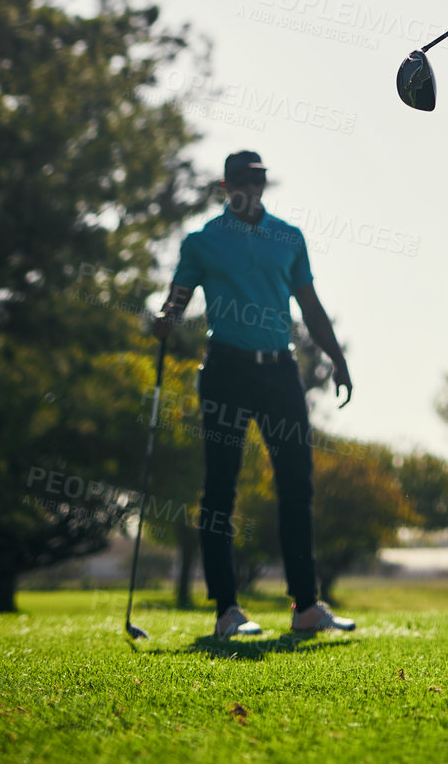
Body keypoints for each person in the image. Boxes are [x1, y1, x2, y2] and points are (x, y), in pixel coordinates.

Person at [152, 149, 356, 638]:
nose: (252, 187)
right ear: (227, 187)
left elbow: (309, 304)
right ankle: (227, 610)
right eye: (243, 180)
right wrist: (165, 321)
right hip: (225, 369)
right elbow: (176, 301)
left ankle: (305, 607)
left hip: (279, 370)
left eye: (259, 179)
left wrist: (338, 359)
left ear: (265, 184)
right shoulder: (202, 242)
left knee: (296, 485)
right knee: (221, 487)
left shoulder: (288, 237)